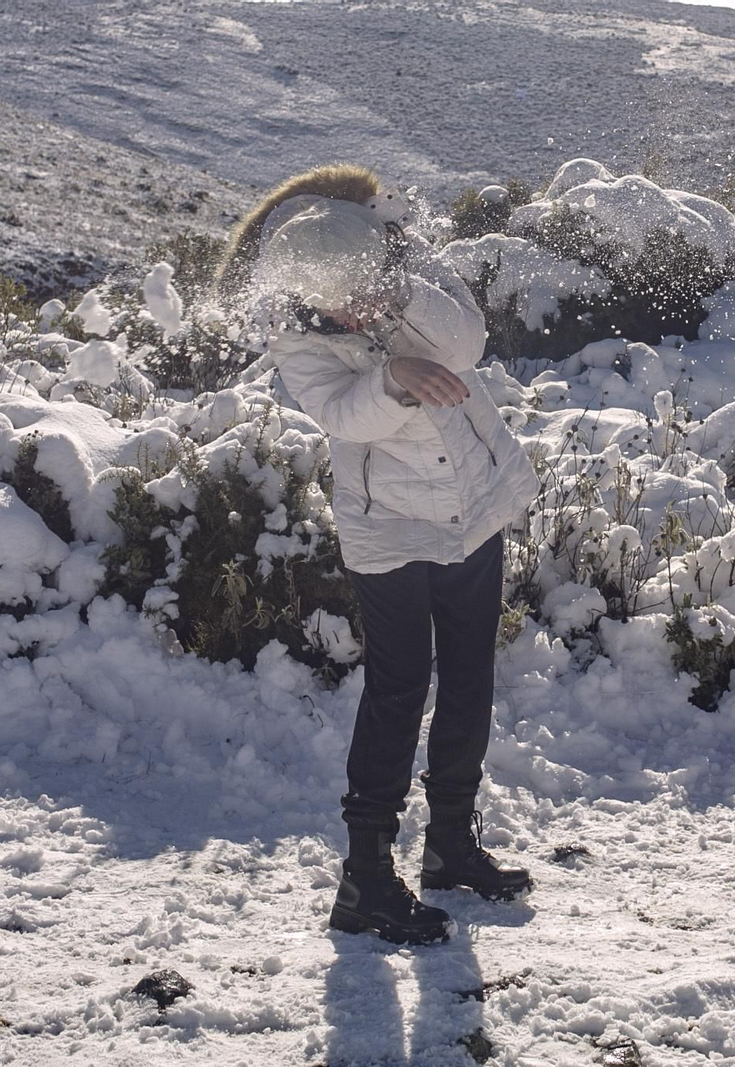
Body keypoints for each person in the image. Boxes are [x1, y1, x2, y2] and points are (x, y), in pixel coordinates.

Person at [216, 166, 540, 945]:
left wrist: (398, 300)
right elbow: (339, 414)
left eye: (364, 288)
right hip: (386, 526)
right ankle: (364, 882)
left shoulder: (400, 256)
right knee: (399, 689)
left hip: (473, 500)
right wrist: (392, 376)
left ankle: (451, 847)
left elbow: (467, 341)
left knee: (470, 673)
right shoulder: (291, 319)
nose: (357, 309)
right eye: (345, 300)